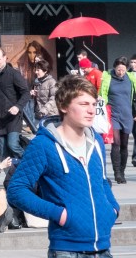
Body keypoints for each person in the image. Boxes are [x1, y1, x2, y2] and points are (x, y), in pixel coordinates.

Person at [8, 75, 118, 258]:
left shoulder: (96, 141)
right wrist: (60, 215)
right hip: (67, 250)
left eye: (93, 104)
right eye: (83, 104)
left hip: (103, 248)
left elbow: (103, 181)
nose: (91, 110)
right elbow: (16, 190)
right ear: (64, 106)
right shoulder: (43, 145)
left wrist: (112, 208)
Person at [0, 47, 29, 163]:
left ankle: (30, 162)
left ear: (5, 58)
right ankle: (8, 178)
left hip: (13, 116)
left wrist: (18, 106)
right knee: (2, 150)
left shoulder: (13, 74)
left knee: (12, 145)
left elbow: (26, 92)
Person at [99, 56, 136, 184]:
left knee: (125, 145)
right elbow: (101, 96)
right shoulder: (107, 77)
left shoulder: (131, 78)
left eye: (123, 70)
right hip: (113, 115)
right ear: (114, 67)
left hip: (127, 115)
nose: (120, 72)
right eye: (118, 69)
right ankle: (117, 174)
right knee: (116, 143)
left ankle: (122, 170)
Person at [31, 58, 57, 123]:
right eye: (35, 70)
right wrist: (33, 94)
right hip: (38, 114)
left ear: (45, 71)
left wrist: (44, 111)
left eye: (38, 70)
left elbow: (54, 98)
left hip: (50, 115)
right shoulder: (37, 81)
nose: (36, 72)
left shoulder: (51, 82)